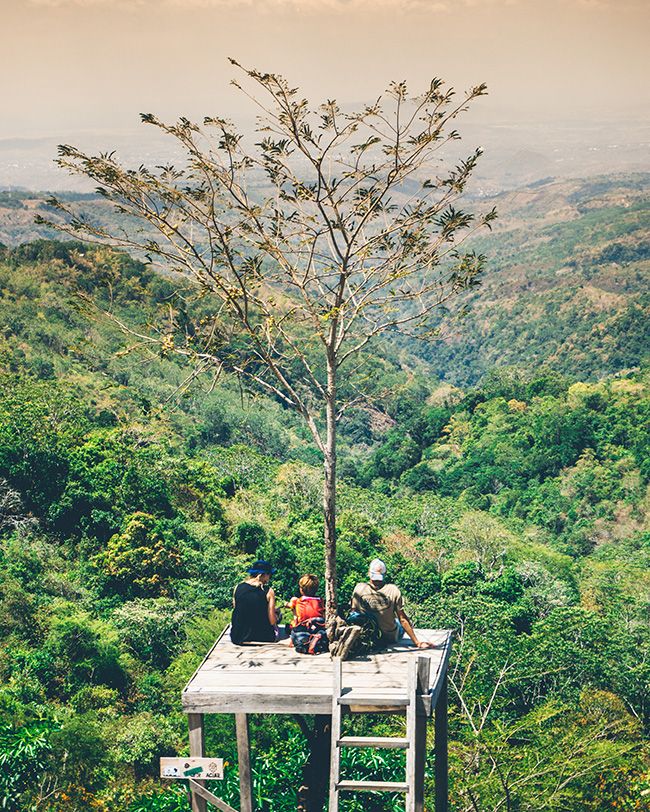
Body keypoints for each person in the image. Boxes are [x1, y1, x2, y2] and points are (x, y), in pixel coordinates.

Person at [350, 558, 433, 649]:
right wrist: (417, 643)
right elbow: (402, 620)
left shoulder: (359, 589)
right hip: (388, 637)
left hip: (368, 636)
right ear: (385, 574)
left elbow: (353, 612)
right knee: (399, 620)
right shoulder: (393, 590)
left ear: (369, 573)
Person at [231, 560, 279, 645]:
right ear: (261, 575)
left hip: (238, 637)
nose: (269, 578)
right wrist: (276, 616)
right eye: (269, 575)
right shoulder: (269, 591)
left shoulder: (237, 587)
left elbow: (237, 609)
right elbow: (272, 621)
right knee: (277, 617)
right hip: (263, 637)